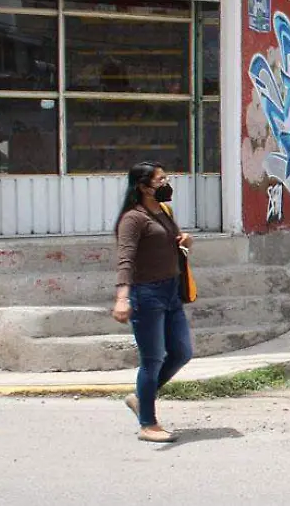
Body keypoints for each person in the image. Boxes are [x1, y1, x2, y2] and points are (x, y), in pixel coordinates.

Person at [111, 161, 193, 443]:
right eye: (160, 180)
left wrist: (184, 240)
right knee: (153, 359)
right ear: (143, 187)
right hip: (146, 295)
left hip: (171, 292)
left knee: (182, 352)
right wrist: (122, 298)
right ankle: (148, 424)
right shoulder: (132, 219)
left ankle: (139, 397)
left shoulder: (164, 211)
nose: (166, 183)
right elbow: (125, 259)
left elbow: (170, 241)